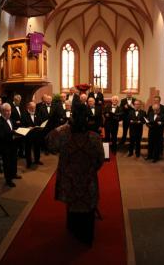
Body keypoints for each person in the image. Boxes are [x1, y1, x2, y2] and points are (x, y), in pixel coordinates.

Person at [47, 104, 104, 245]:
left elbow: (49, 143)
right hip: (88, 180)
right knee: (87, 208)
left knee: (72, 204)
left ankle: (73, 229)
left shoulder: (63, 135)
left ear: (71, 117)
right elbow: (100, 160)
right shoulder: (94, 137)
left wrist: (64, 126)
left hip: (69, 179)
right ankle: (86, 236)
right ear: (88, 118)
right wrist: (89, 170)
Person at [0, 103, 22, 187]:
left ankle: (14, 174)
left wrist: (16, 132)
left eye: (10, 110)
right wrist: (13, 133)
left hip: (13, 145)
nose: (9, 112)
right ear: (2, 111)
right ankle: (8, 180)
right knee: (7, 163)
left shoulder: (10, 119)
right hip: (5, 146)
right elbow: (0, 135)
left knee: (14, 160)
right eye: (7, 111)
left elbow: (12, 129)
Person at [21, 101, 43, 167]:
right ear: (28, 107)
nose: (34, 109)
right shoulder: (24, 115)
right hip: (28, 135)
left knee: (37, 148)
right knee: (28, 149)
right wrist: (28, 128)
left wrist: (40, 126)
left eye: (34, 107)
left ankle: (37, 160)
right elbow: (22, 125)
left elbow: (40, 122)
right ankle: (29, 162)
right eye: (32, 108)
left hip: (37, 134)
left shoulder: (37, 113)